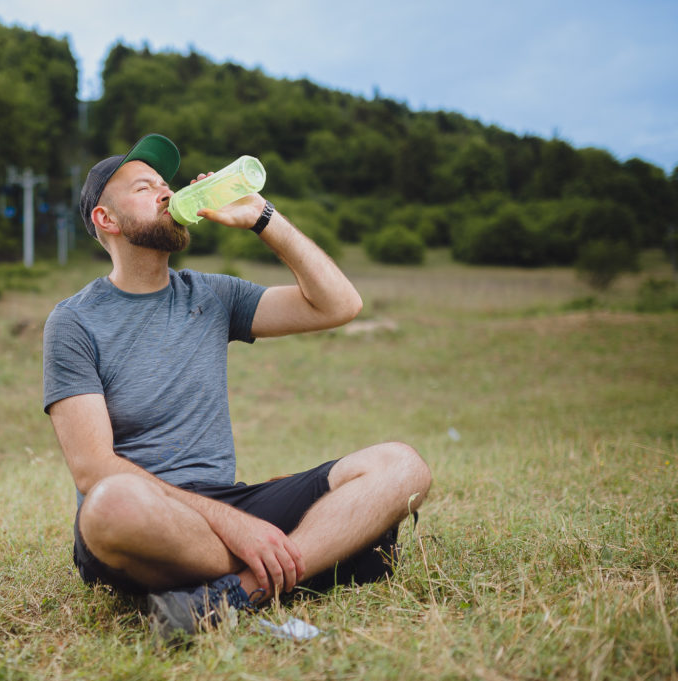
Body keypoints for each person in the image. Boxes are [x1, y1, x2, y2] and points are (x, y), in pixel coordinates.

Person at [42, 133, 431, 637]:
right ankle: (326, 555)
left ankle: (236, 594)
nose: (166, 193)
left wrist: (263, 218)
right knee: (110, 505)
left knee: (402, 465)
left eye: (166, 184)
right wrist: (237, 526)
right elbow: (94, 470)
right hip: (150, 517)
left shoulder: (212, 294)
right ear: (106, 220)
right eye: (145, 187)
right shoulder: (74, 322)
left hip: (227, 500)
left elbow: (339, 305)